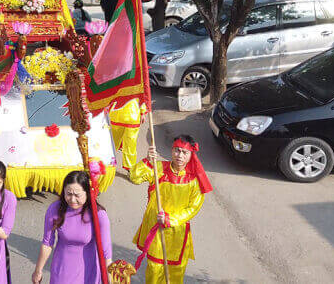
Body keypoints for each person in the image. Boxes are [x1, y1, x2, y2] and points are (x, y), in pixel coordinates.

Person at [130, 136, 211, 284]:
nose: (180, 155)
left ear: (191, 155)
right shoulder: (158, 168)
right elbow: (134, 177)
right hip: (155, 227)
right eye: (177, 150)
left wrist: (170, 219)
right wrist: (147, 160)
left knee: (175, 272)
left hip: (177, 232)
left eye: (184, 152)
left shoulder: (193, 180)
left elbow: (194, 207)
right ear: (172, 150)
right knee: (154, 269)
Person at [32, 171, 112, 284]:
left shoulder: (98, 215)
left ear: (88, 193)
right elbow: (47, 243)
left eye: (77, 195)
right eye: (68, 194)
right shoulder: (55, 209)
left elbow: (106, 253)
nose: (72, 200)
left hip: (89, 270)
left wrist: (109, 279)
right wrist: (38, 270)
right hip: (62, 269)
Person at [109, 99, 143, 171]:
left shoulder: (138, 87)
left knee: (130, 145)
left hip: (131, 116)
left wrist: (143, 111)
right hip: (117, 115)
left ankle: (130, 168)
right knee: (113, 142)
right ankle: (109, 163)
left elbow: (143, 95)